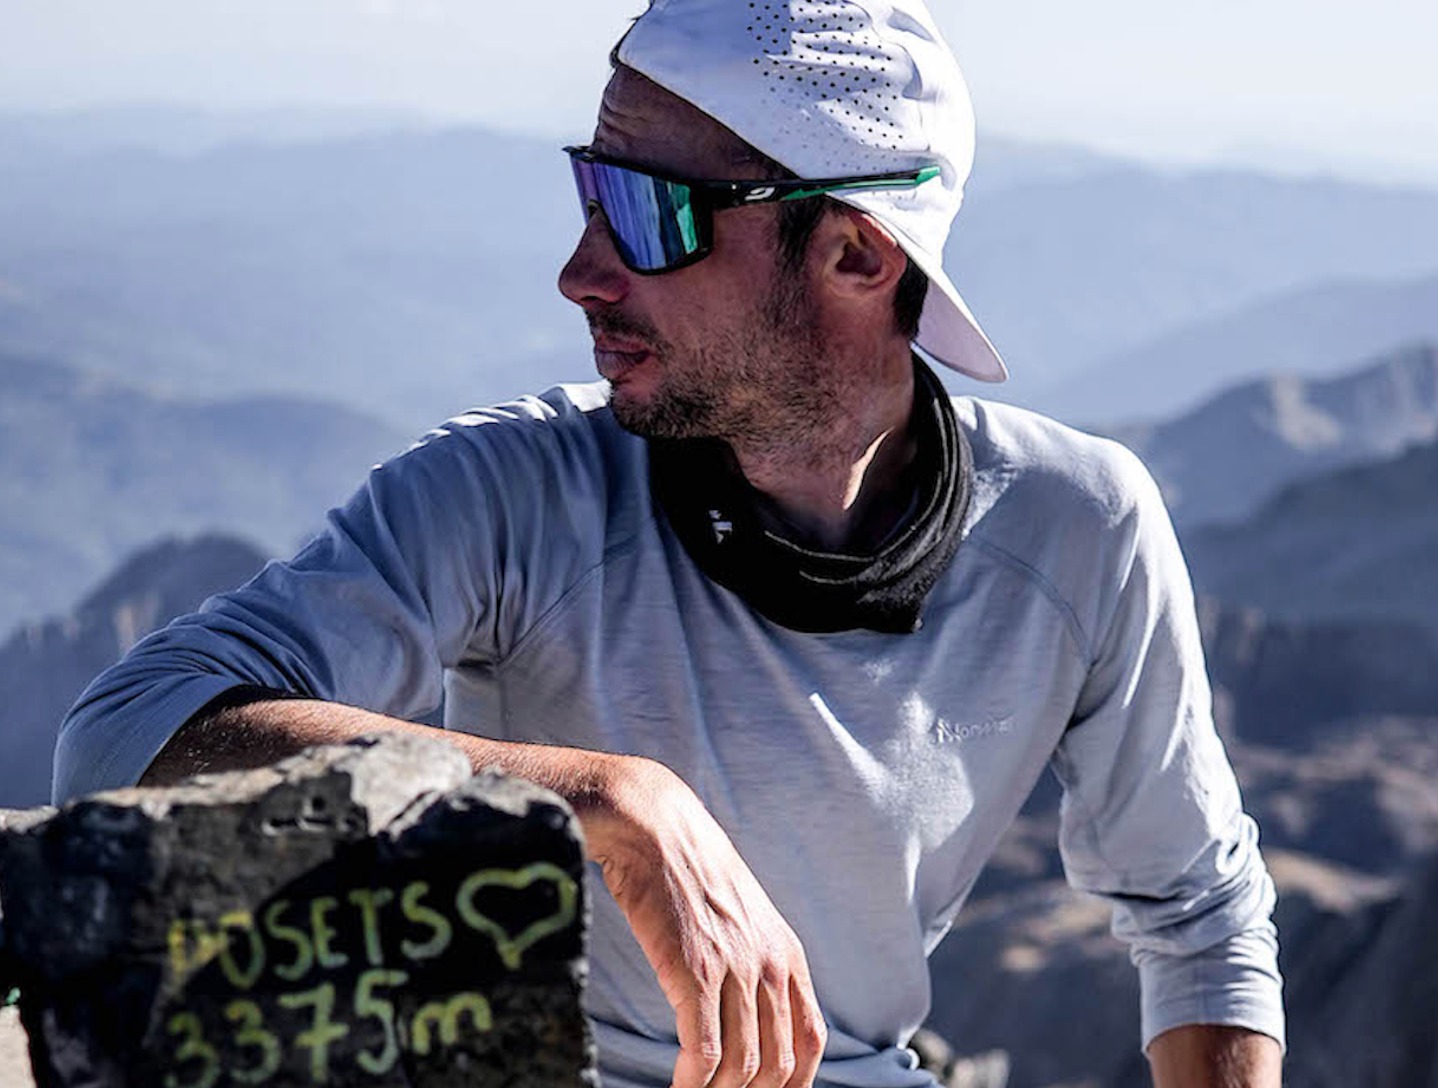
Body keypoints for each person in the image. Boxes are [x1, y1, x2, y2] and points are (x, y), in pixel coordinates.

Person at [54, 1, 1285, 1085]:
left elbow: (1199, 911)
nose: (579, 271)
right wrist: (604, 794)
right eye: (590, 190)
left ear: (856, 250)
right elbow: (119, 740)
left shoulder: (1081, 528)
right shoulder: (513, 491)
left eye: (644, 211)